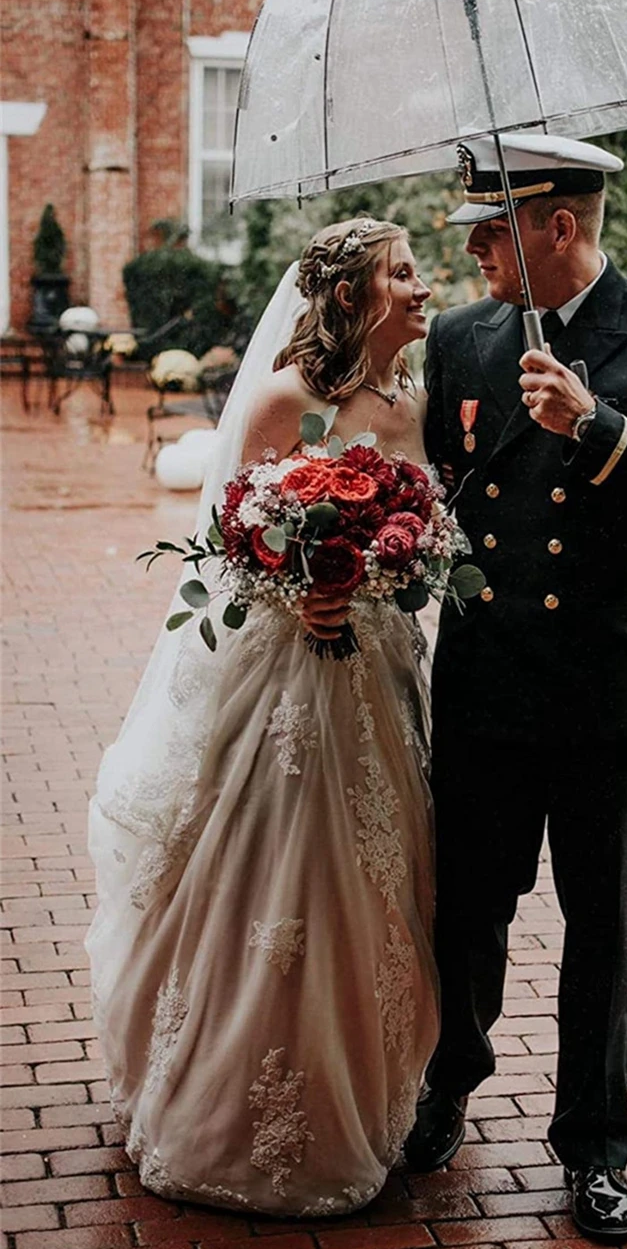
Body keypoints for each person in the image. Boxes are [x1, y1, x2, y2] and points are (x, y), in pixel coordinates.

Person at [407, 135, 627, 1244]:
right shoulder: (460, 340)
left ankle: (594, 1148)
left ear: (561, 225)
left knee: (607, 936)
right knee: (467, 914)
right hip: (488, 688)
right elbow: (440, 505)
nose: (470, 246)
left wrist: (600, 432)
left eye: (492, 226)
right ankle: (448, 1083)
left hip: (610, 701)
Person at [86, 218, 439, 1216]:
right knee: (272, 873)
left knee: (367, 878)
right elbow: (234, 536)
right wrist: (305, 590)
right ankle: (226, 1097)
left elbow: (428, 526)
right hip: (288, 674)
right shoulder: (291, 397)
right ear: (353, 298)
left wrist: (397, 561)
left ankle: (361, 1093)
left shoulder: (406, 400)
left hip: (376, 669)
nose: (422, 288)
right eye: (402, 274)